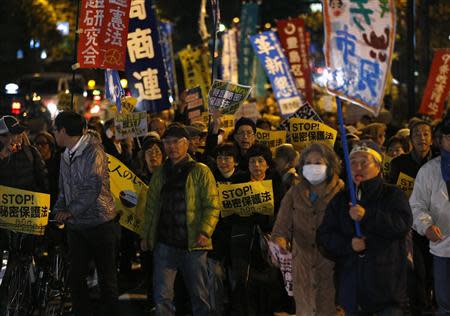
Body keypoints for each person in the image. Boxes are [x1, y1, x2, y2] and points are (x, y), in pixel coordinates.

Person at [317, 140, 412, 315]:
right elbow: (324, 237)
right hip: (351, 291)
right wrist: (349, 245)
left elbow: (402, 224)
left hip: (387, 290)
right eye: (353, 162)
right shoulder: (340, 200)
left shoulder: (392, 194)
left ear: (378, 166)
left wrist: (367, 216)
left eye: (364, 162)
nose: (357, 167)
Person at [140, 123, 220, 316]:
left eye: (176, 142)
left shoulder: (200, 171)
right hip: (165, 244)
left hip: (193, 244)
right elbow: (150, 208)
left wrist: (204, 231)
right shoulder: (159, 173)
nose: (171, 147)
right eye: (167, 143)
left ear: (186, 144)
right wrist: (145, 236)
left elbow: (212, 205)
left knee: (199, 295)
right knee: (162, 296)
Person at [52, 111, 120, 316]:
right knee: (75, 277)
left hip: (101, 223)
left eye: (55, 130)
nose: (53, 134)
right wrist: (57, 211)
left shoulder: (94, 151)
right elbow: (64, 190)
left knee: (107, 279)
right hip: (77, 227)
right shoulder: (65, 154)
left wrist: (69, 211)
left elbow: (92, 187)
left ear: (63, 131)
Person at [272, 143, 344, 315]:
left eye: (318, 162)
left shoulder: (342, 192)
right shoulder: (294, 192)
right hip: (302, 266)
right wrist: (280, 245)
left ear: (330, 165)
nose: (313, 167)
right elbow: (280, 229)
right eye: (308, 163)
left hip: (332, 266)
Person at [388, 120, 435, 314]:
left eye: (425, 134)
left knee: (435, 268)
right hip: (410, 225)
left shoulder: (440, 161)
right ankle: (421, 305)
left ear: (432, 139)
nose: (421, 138)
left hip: (437, 223)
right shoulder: (399, 163)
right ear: (411, 139)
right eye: (417, 134)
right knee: (418, 270)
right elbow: (392, 192)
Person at [409, 118, 450, 316]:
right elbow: (416, 205)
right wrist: (426, 226)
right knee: (445, 303)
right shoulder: (428, 171)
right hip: (443, 248)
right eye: (449, 137)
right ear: (440, 140)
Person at [34, 131, 60, 208]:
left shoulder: (58, 164)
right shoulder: (33, 164)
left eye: (43, 143)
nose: (39, 147)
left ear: (51, 145)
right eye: (37, 144)